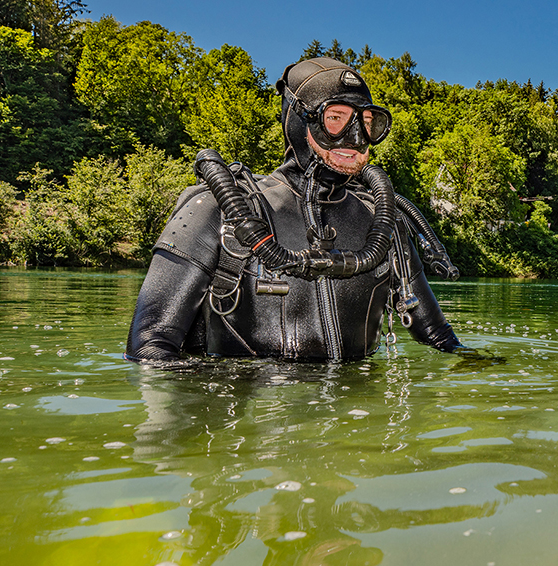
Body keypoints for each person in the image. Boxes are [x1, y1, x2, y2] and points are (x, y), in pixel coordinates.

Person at [127, 57, 461, 362]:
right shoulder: (223, 208)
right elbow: (149, 346)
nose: (355, 136)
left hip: (357, 405)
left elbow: (438, 336)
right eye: (336, 118)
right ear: (300, 122)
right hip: (250, 405)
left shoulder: (383, 224)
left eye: (367, 122)